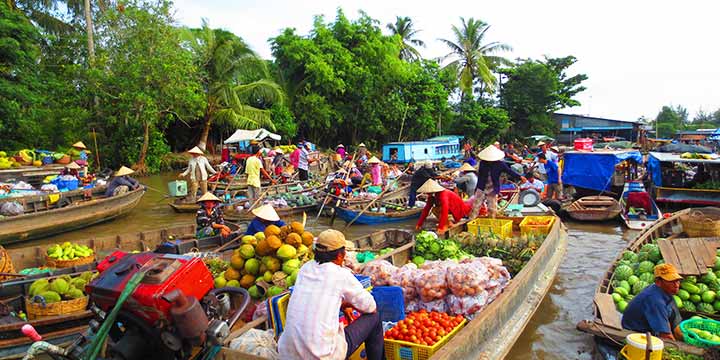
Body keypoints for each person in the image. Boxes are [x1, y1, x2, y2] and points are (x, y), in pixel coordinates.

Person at [278, 229, 383, 360]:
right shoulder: (341, 274)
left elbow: (317, 299)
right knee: (375, 317)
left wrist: (343, 305)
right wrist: (351, 304)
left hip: (287, 354)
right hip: (322, 356)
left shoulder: (305, 269)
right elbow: (371, 307)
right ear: (340, 255)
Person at [621, 264, 684, 341]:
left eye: (677, 280)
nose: (676, 285)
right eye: (670, 281)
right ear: (658, 282)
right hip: (636, 333)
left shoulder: (662, 290)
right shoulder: (655, 301)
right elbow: (665, 336)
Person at [471, 145, 524, 218]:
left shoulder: (500, 164)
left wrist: (520, 177)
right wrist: (476, 188)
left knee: (492, 208)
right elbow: (479, 175)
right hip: (481, 187)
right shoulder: (482, 163)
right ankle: (471, 221)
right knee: (475, 207)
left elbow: (509, 171)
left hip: (493, 188)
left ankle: (492, 222)